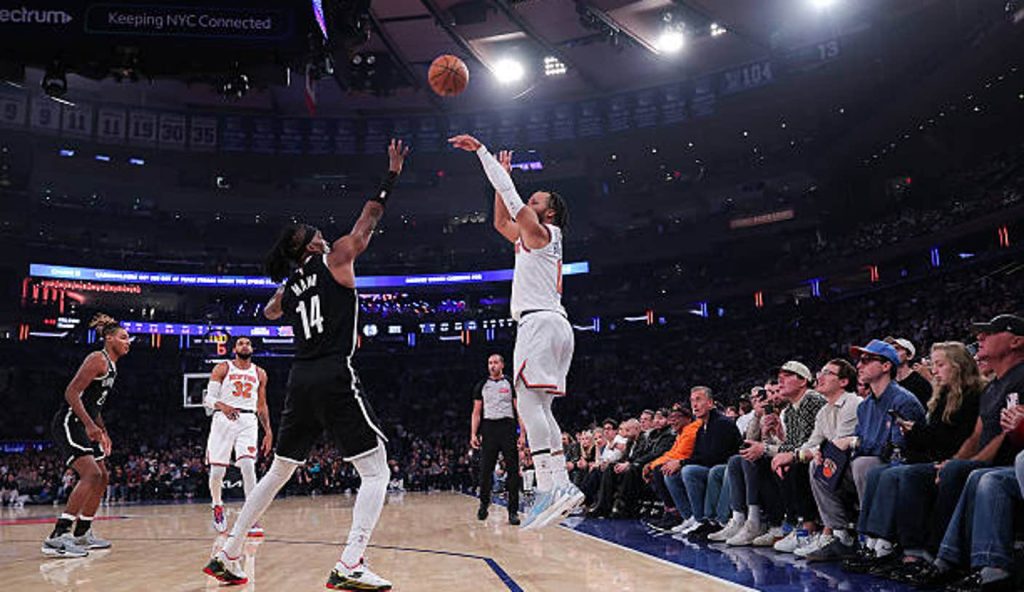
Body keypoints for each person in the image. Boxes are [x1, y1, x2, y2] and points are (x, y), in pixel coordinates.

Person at [202, 139, 408, 590]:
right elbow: (370, 217)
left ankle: (230, 553)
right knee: (377, 471)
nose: (324, 235)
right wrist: (391, 175)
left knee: (279, 469)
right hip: (333, 372)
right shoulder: (336, 257)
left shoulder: (291, 287)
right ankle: (351, 562)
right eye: (317, 233)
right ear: (310, 243)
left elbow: (269, 312)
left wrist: (290, 285)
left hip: (300, 378)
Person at [449, 133, 577, 530]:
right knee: (543, 408)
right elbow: (500, 221)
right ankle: (562, 484)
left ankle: (549, 489)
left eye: (535, 202)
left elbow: (511, 198)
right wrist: (501, 182)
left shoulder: (542, 233)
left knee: (529, 404)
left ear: (548, 213)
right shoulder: (532, 239)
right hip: (555, 325)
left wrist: (485, 156)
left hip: (539, 324)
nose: (528, 204)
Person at [42, 313, 131, 558]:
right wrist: (90, 426)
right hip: (70, 422)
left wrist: (103, 430)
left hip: (86, 423)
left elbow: (94, 405)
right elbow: (71, 392)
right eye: (123, 338)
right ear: (109, 338)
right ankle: (58, 536)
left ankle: (82, 532)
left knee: (102, 477)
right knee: (91, 473)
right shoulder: (97, 359)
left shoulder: (112, 366)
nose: (128, 342)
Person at [203, 337, 272, 535]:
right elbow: (209, 399)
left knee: (248, 466)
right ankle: (217, 505)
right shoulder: (223, 368)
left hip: (248, 419)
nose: (245, 346)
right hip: (223, 419)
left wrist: (268, 431)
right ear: (234, 349)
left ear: (252, 349)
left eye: (248, 343)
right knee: (217, 471)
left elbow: (262, 405)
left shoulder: (260, 373)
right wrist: (223, 406)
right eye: (241, 343)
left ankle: (251, 517)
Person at [469, 353, 526, 525]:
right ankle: (484, 503)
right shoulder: (482, 385)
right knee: (485, 470)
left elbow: (519, 410)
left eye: (495, 362)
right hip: (489, 427)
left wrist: (523, 434)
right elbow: (476, 412)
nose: (492, 366)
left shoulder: (510, 383)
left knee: (513, 470)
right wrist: (473, 434)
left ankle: (513, 511)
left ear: (502, 365)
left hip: (507, 427)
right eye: (489, 363)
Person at [885, 336, 933, 407]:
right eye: (891, 350)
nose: (892, 352)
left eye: (897, 349)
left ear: (909, 356)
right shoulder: (887, 382)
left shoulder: (920, 383)